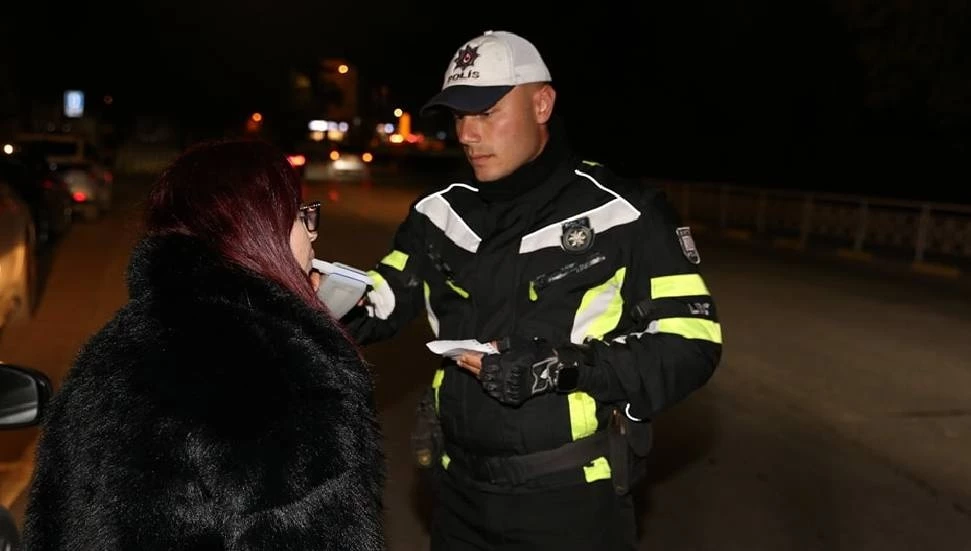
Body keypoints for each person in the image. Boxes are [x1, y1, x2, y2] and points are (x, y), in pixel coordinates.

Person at [342, 29, 723, 550]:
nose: (468, 134)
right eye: (458, 116)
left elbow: (692, 341)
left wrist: (560, 366)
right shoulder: (439, 214)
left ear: (542, 104)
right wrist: (314, 292)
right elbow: (379, 301)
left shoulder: (624, 212)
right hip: (456, 497)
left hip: (570, 503)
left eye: (487, 112)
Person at [22, 139, 386, 550]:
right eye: (301, 215)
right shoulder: (281, 368)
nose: (311, 234)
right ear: (260, 226)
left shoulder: (111, 349)